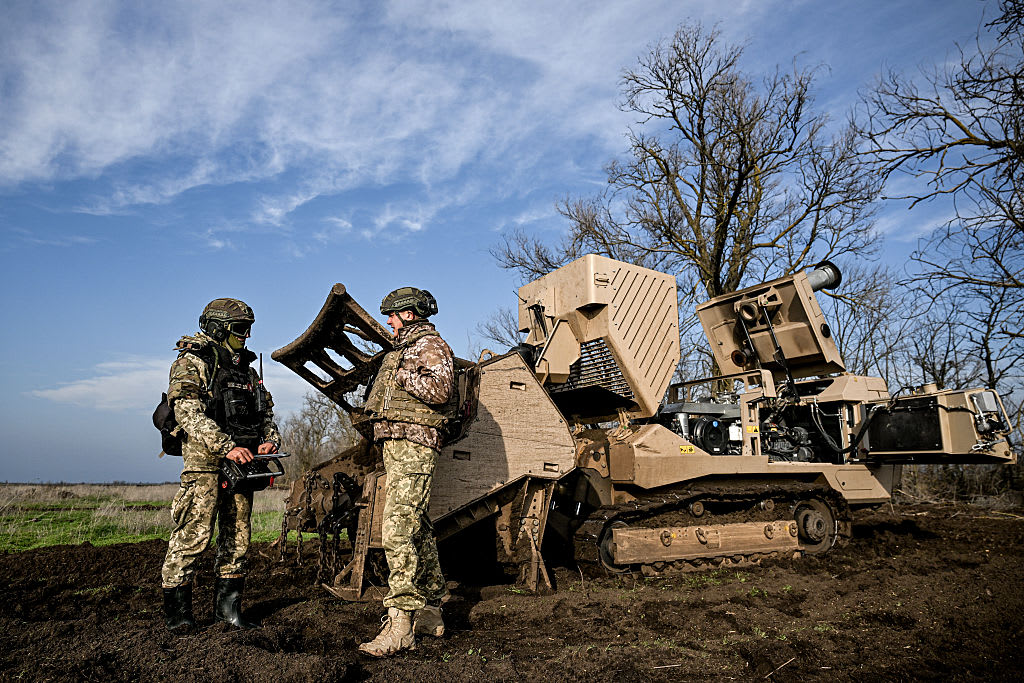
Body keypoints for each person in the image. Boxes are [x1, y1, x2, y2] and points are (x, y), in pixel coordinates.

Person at [160, 298, 281, 631]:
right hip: (204, 464)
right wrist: (226, 447)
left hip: (242, 465)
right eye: (240, 328)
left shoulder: (247, 370)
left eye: (249, 328)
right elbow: (187, 413)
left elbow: (266, 414)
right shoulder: (192, 362)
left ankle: (228, 615)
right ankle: (179, 619)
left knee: (238, 539)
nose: (247, 335)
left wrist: (270, 440)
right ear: (217, 328)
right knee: (193, 536)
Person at [358, 287, 455, 657]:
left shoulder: (430, 345)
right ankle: (431, 611)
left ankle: (400, 625)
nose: (388, 321)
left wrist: (401, 378)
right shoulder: (404, 349)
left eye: (392, 315)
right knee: (418, 526)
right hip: (399, 443)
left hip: (415, 444)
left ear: (409, 314)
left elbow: (441, 391)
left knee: (397, 528)